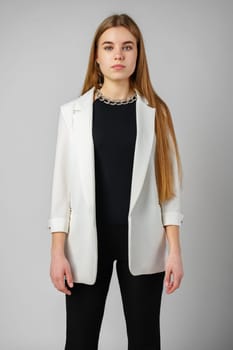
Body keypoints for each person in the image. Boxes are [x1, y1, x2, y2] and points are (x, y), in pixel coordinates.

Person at [48, 13, 184, 350]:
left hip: (144, 240)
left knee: (145, 340)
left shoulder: (157, 112)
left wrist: (175, 252)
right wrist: (57, 252)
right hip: (84, 242)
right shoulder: (73, 114)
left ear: (138, 54)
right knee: (79, 341)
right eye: (109, 47)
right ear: (96, 55)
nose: (118, 55)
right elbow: (61, 191)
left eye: (127, 47)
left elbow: (169, 190)